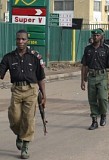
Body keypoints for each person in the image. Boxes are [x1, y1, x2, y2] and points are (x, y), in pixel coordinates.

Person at [0, 29, 46, 159]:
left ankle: (25, 145)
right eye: (18, 39)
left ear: (27, 40)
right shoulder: (9, 57)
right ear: (16, 40)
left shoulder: (35, 57)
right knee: (14, 118)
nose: (20, 41)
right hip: (16, 91)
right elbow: (1, 72)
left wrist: (44, 95)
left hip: (31, 91)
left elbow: (41, 77)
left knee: (28, 118)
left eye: (23, 39)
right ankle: (20, 134)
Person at [81, 29, 109, 130]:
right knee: (92, 100)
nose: (95, 37)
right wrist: (82, 80)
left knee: (103, 98)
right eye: (94, 35)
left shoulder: (106, 49)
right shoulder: (88, 49)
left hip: (102, 76)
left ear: (101, 37)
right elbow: (84, 65)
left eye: (97, 35)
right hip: (91, 76)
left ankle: (103, 114)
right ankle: (94, 121)